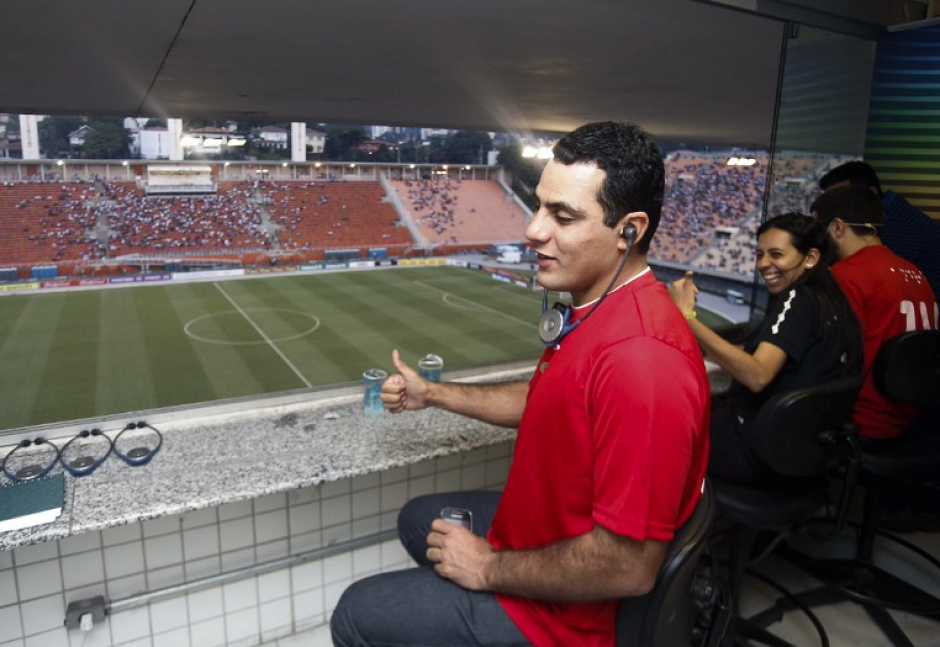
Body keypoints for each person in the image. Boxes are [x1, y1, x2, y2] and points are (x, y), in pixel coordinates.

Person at [330, 122, 711, 647]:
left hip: (567, 621)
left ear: (630, 230)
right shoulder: (596, 309)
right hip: (541, 532)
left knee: (355, 614)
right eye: (539, 206)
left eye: (563, 216)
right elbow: (547, 402)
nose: (532, 230)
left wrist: (487, 567)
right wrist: (434, 394)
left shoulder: (643, 363)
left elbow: (626, 568)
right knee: (419, 519)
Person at [669, 213, 861, 487]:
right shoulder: (831, 300)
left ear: (811, 258)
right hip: (802, 450)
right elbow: (772, 356)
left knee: (663, 428)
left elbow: (757, 375)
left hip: (758, 448)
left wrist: (687, 317)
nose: (763, 264)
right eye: (760, 254)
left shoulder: (798, 297)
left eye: (776, 254)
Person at [811, 185, 938, 440]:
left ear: (837, 227)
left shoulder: (847, 275)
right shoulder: (916, 274)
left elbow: (828, 358)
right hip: (912, 419)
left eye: (818, 230)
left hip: (860, 420)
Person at [819, 160, 940, 300]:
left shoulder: (894, 222)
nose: (831, 207)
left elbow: (868, 278)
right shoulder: (888, 212)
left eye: (841, 198)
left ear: (871, 193)